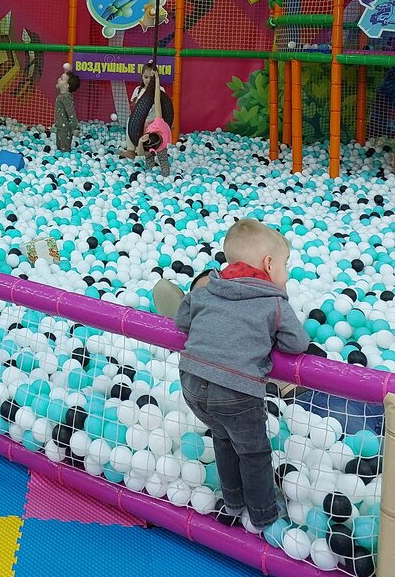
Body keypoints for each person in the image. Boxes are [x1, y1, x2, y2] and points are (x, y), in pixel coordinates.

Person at [174, 218, 309, 531]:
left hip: (192, 381)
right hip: (235, 390)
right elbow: (297, 343)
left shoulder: (208, 288)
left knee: (223, 437)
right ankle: (264, 514)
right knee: (254, 452)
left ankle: (233, 501)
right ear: (269, 264)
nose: (287, 272)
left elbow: (182, 319)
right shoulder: (273, 302)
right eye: (286, 265)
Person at [119, 61, 154, 159]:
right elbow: (134, 106)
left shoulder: (159, 90)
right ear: (142, 77)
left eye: (151, 78)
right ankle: (131, 150)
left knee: (146, 124)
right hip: (141, 115)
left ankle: (146, 150)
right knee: (130, 121)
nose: (148, 80)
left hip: (153, 116)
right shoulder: (138, 90)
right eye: (146, 77)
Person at [54, 70, 80, 151]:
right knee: (59, 146)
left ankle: (65, 154)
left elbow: (71, 112)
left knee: (64, 148)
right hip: (60, 127)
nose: (58, 79)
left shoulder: (66, 97)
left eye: (61, 79)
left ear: (66, 85)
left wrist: (75, 127)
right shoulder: (62, 96)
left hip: (65, 129)